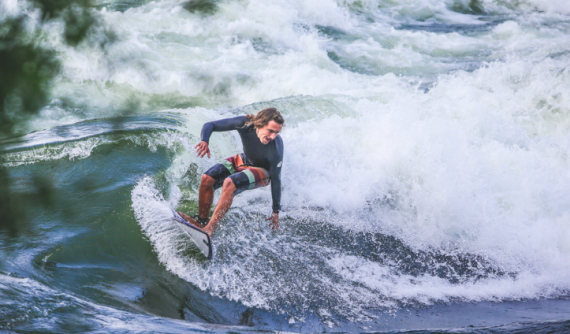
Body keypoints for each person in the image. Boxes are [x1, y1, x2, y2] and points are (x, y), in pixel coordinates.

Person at [178, 108, 284, 237]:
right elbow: (210, 125)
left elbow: (276, 178)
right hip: (244, 160)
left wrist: (275, 211)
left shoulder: (276, 149)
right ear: (260, 123)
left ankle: (209, 229)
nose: (273, 136)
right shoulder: (244, 124)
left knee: (230, 182)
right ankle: (201, 222)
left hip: (263, 172)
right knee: (207, 178)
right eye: (270, 131)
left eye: (276, 133)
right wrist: (204, 140)